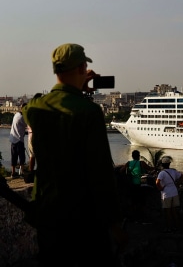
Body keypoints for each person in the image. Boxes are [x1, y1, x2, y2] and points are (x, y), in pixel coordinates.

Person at [22, 43, 128, 266]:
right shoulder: (89, 112)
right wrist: (115, 224)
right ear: (82, 67)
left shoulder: (36, 108)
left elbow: (31, 104)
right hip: (83, 219)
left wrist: (75, 87)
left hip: (48, 215)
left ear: (55, 70)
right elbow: (101, 174)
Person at [121, 149, 155, 223]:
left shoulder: (128, 163)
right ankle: (140, 217)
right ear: (139, 156)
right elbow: (150, 168)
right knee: (141, 201)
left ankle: (133, 217)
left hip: (131, 185)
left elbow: (121, 170)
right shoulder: (141, 163)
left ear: (132, 156)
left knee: (133, 201)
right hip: (139, 185)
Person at [156, 156, 183, 233]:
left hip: (166, 194)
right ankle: (176, 227)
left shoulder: (162, 173)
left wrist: (160, 189)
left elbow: (157, 182)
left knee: (167, 212)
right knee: (174, 211)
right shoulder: (173, 171)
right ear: (169, 164)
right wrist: (178, 184)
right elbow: (182, 176)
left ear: (162, 164)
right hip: (174, 192)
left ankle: (168, 227)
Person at [9, 103, 27, 178]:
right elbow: (26, 125)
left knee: (14, 157)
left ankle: (13, 173)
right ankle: (22, 172)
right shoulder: (22, 118)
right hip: (19, 140)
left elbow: (19, 127)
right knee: (21, 157)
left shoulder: (16, 115)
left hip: (13, 139)